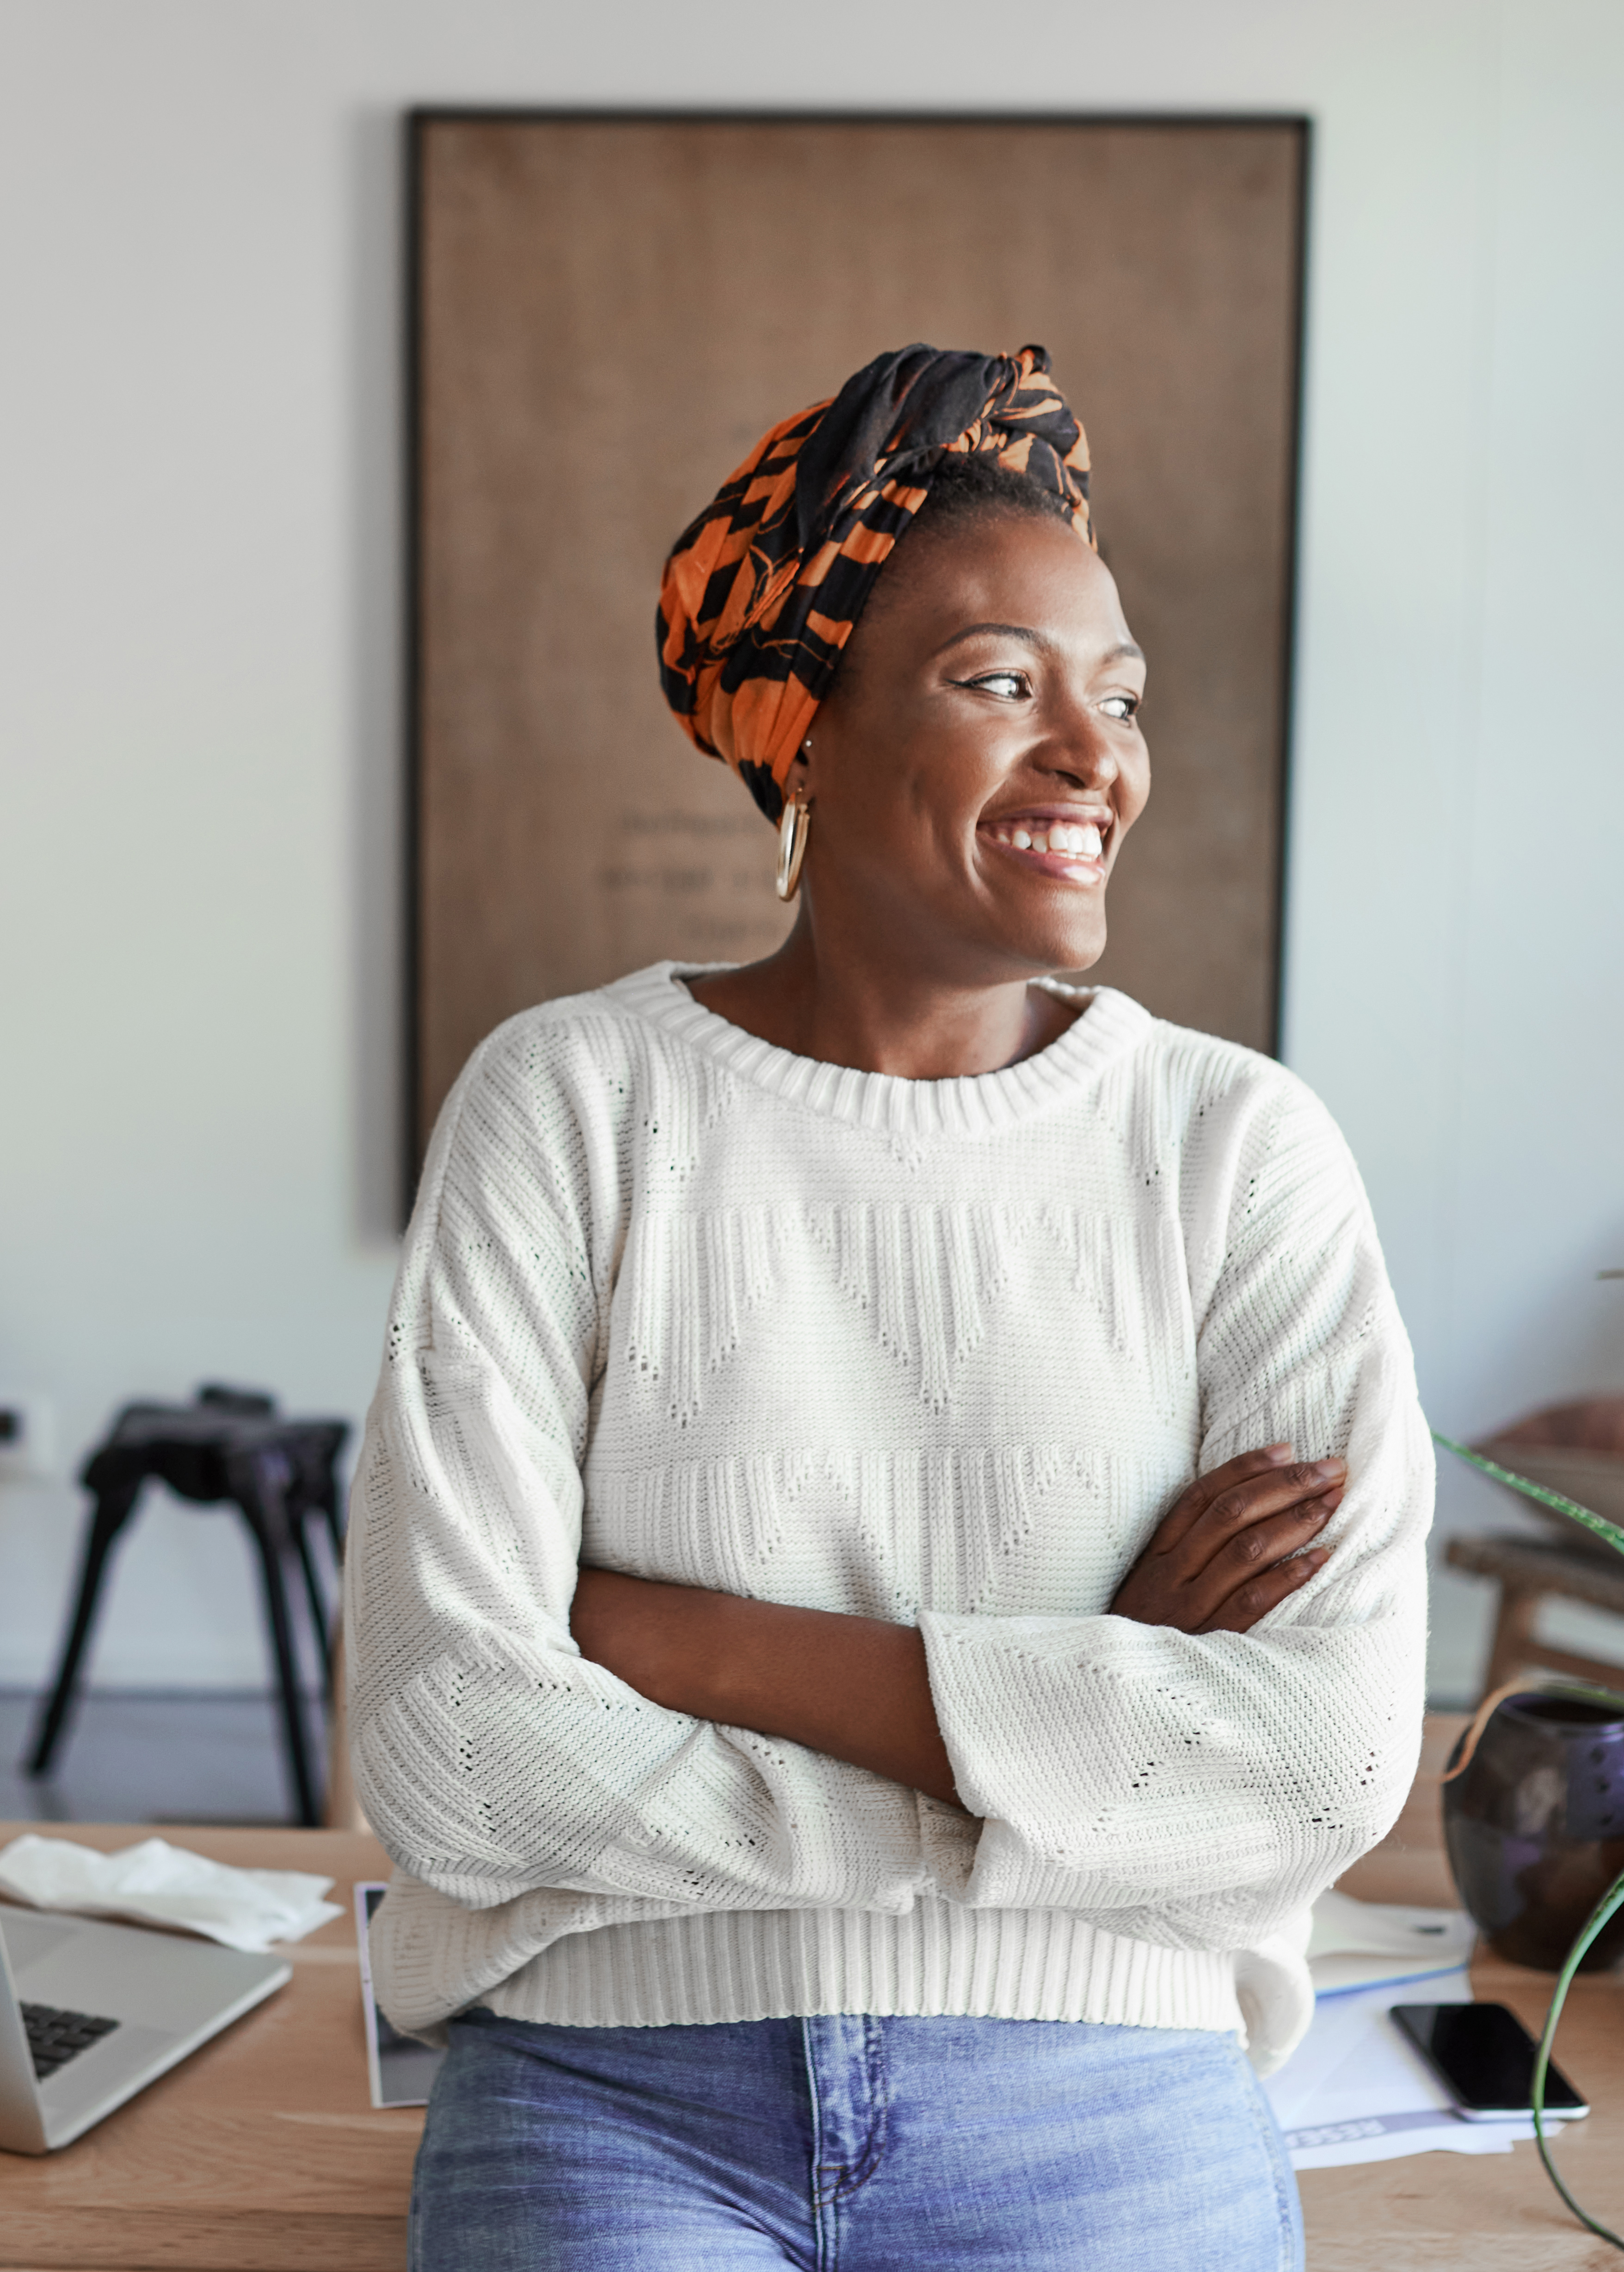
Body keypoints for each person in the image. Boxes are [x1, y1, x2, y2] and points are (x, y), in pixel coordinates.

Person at [350, 343, 1429, 2271]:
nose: (1095, 757)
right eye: (998, 684)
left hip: (1104, 2097)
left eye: (1115, 696)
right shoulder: (572, 1100)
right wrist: (1061, 1734)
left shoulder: (1234, 1148)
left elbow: (1326, 1757)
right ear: (809, 730)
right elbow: (454, 1738)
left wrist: (687, 1641)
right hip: (616, 2098)